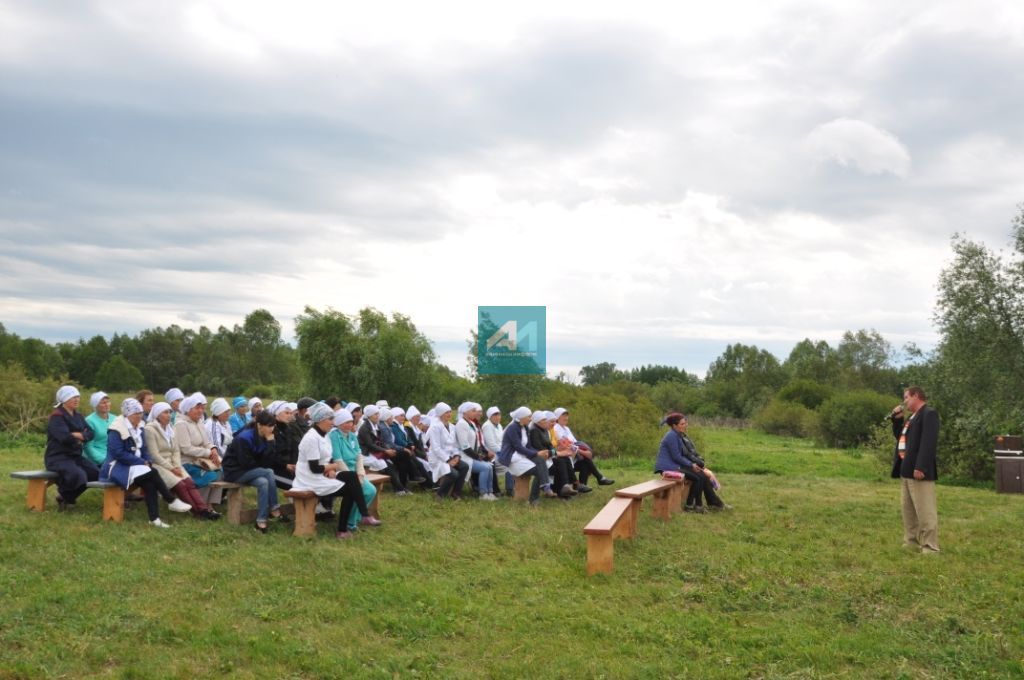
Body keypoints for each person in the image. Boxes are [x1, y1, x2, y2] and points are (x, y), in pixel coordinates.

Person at [100, 398, 192, 528]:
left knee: (150, 484)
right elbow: (118, 454)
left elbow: (144, 450)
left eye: (141, 413)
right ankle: (170, 499)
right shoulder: (116, 429)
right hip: (117, 467)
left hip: (137, 467)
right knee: (153, 473)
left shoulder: (140, 427)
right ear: (128, 414)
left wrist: (146, 460)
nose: (139, 416)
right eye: (136, 414)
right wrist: (142, 462)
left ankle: (154, 519)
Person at [292, 402, 379, 540]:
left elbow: (325, 460)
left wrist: (330, 469)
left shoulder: (324, 435)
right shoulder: (311, 437)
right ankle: (361, 517)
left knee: (351, 478)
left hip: (321, 475)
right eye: (330, 419)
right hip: (309, 479)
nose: (333, 422)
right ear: (320, 420)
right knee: (351, 482)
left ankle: (348, 526)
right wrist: (332, 467)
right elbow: (314, 468)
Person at [144, 402, 221, 520]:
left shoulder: (169, 428)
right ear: (157, 415)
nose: (169, 415)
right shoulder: (150, 429)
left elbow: (175, 451)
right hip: (159, 465)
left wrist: (177, 466)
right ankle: (197, 511)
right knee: (180, 484)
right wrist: (171, 468)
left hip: (174, 463)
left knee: (189, 483)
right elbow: (154, 455)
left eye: (170, 412)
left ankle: (203, 509)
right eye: (165, 412)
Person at [890, 385, 941, 553]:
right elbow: (902, 439)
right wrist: (897, 419)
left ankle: (929, 547)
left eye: (906, 397)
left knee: (925, 511)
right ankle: (910, 542)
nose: (904, 401)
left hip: (919, 472)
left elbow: (928, 443)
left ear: (916, 395)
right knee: (908, 511)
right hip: (906, 471)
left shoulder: (929, 414)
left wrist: (921, 466)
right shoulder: (912, 417)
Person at [222, 410, 289, 533]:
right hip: (234, 471)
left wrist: (270, 443)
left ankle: (261, 521)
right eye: (269, 426)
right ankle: (275, 509)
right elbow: (246, 463)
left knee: (263, 482)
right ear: (259, 425)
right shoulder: (244, 438)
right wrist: (262, 465)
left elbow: (267, 461)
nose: (272, 429)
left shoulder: (266, 437)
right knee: (268, 472)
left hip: (250, 470)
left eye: (273, 425)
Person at [654, 413, 729, 512]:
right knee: (698, 477)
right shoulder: (671, 436)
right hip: (669, 467)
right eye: (682, 424)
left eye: (685, 423)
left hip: (675, 465)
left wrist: (695, 464)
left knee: (701, 475)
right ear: (674, 426)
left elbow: (684, 455)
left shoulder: (677, 435)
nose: (685, 425)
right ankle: (692, 505)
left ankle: (701, 505)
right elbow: (676, 456)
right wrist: (691, 464)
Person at [44, 386, 98, 511]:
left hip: (75, 456)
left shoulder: (78, 416)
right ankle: (66, 496)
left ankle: (64, 496)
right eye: (73, 397)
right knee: (78, 475)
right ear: (64, 399)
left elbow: (91, 433)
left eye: (78, 397)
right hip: (57, 457)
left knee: (96, 473)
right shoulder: (57, 416)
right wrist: (79, 437)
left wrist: (78, 435)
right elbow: (64, 438)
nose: (76, 399)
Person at [327, 409, 379, 531]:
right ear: (339, 423)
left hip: (354, 471)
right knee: (358, 491)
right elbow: (338, 460)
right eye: (346, 422)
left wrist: (360, 474)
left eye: (351, 421)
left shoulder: (351, 436)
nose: (350, 424)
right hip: (341, 472)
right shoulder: (334, 436)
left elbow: (358, 456)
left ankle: (355, 517)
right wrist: (354, 477)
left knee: (371, 490)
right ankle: (351, 522)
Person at [498, 406, 556, 504]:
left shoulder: (524, 427)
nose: (530, 419)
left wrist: (540, 453)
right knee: (539, 470)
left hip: (522, 456)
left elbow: (528, 446)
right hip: (513, 459)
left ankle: (543, 488)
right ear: (522, 417)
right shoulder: (513, 428)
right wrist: (536, 453)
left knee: (541, 461)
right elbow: (518, 447)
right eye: (529, 417)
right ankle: (536, 496)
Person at [173, 392, 224, 505]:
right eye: (197, 408)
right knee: (210, 476)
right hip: (186, 463)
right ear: (188, 409)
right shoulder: (181, 424)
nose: (201, 411)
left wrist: (213, 449)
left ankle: (210, 504)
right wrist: (208, 453)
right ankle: (199, 505)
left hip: (200, 460)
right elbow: (186, 449)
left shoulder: (199, 422)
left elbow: (206, 442)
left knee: (220, 472)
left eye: (202, 408)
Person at [552, 407, 614, 487]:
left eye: (567, 415)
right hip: (564, 458)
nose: (566, 418)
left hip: (572, 456)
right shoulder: (556, 428)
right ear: (557, 417)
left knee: (585, 461)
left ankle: (584, 485)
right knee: (585, 459)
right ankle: (599, 478)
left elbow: (574, 443)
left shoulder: (566, 429)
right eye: (563, 415)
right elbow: (566, 444)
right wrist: (581, 451)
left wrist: (579, 450)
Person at [358, 405, 410, 494]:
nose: (377, 416)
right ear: (369, 416)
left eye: (378, 414)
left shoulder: (375, 425)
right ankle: (400, 489)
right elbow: (370, 444)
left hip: (375, 452)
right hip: (365, 454)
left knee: (392, 464)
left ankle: (400, 488)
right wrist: (385, 451)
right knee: (387, 465)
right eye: (375, 414)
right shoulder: (364, 428)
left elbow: (380, 442)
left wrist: (387, 450)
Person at [426, 402, 470, 501]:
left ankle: (456, 493)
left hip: (450, 457)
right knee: (453, 473)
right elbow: (436, 448)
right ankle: (440, 494)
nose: (449, 414)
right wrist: (448, 460)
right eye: (446, 412)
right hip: (437, 458)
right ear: (440, 414)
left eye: (450, 412)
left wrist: (456, 456)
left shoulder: (452, 427)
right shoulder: (435, 427)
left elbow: (454, 445)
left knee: (464, 466)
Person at [529, 411, 577, 498]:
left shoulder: (544, 430)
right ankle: (563, 489)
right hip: (540, 459)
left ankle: (566, 487)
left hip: (548, 457)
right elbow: (541, 450)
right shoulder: (534, 431)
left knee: (564, 459)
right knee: (560, 463)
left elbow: (550, 447)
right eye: (544, 420)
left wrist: (558, 452)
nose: (546, 421)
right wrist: (558, 453)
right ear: (538, 421)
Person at [455, 402, 498, 500]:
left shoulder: (471, 423)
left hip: (472, 455)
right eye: (473, 411)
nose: (475, 413)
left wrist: (483, 455)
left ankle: (489, 492)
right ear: (465, 412)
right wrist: (478, 457)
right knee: (485, 468)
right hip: (464, 456)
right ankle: (483, 493)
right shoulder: (461, 424)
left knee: (490, 466)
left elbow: (477, 443)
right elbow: (464, 446)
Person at [481, 406, 513, 496]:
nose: (497, 417)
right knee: (510, 463)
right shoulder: (487, 426)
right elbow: (491, 444)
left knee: (512, 461)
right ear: (490, 417)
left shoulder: (499, 425)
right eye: (495, 415)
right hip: (491, 454)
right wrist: (503, 453)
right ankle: (509, 489)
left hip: (500, 452)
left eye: (498, 415)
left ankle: (510, 488)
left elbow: (502, 441)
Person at [83, 391, 116, 467]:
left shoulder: (115, 419)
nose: (106, 405)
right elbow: (88, 447)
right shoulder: (89, 421)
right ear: (95, 405)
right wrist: (103, 460)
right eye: (103, 403)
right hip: (98, 459)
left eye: (108, 402)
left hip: (114, 457)